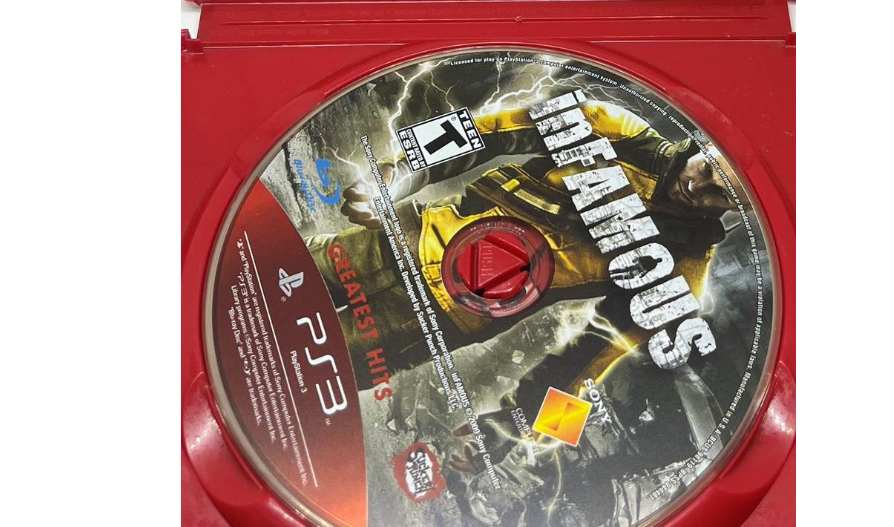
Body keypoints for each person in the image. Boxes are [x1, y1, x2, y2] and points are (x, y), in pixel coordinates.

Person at [307, 99, 747, 391]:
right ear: (706, 144)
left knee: (304, 376)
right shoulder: (616, 129)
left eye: (721, 194)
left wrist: (508, 436)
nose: (697, 187)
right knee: (275, 272)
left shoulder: (682, 274)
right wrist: (398, 173)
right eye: (707, 169)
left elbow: (593, 359)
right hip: (403, 239)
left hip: (438, 319)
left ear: (742, 209)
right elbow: (489, 130)